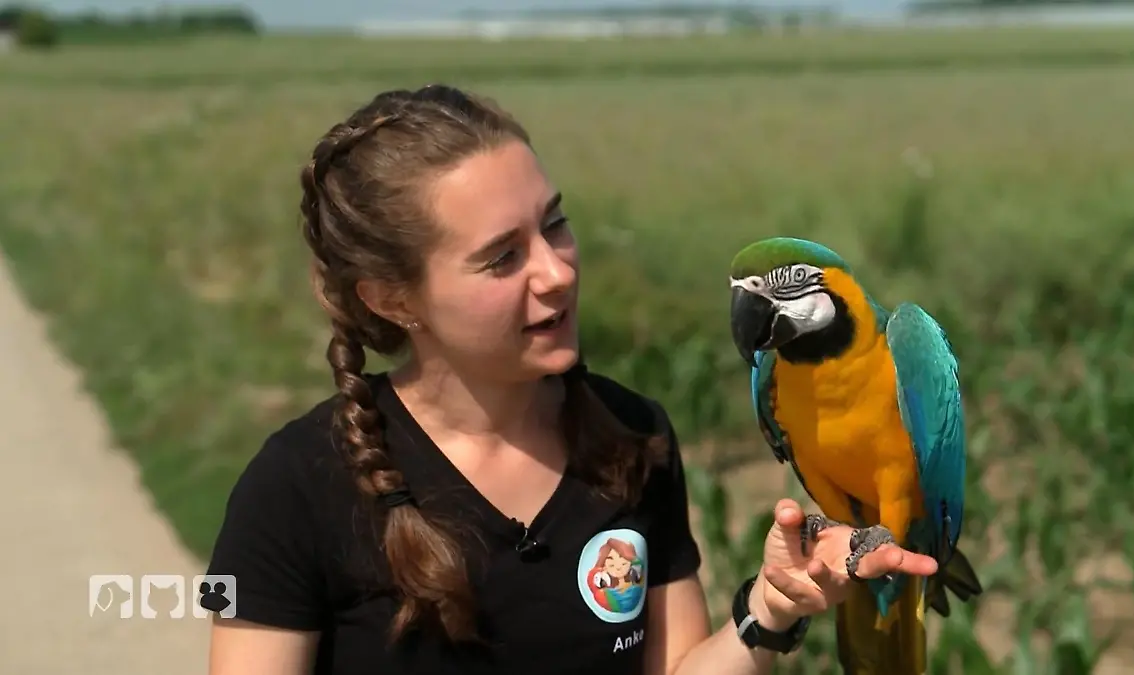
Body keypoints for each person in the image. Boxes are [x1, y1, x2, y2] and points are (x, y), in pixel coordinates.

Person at [200, 84, 938, 675]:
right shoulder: (294, 486)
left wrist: (771, 607)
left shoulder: (631, 436)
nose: (557, 272)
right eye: (501, 258)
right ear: (391, 299)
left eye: (554, 224)